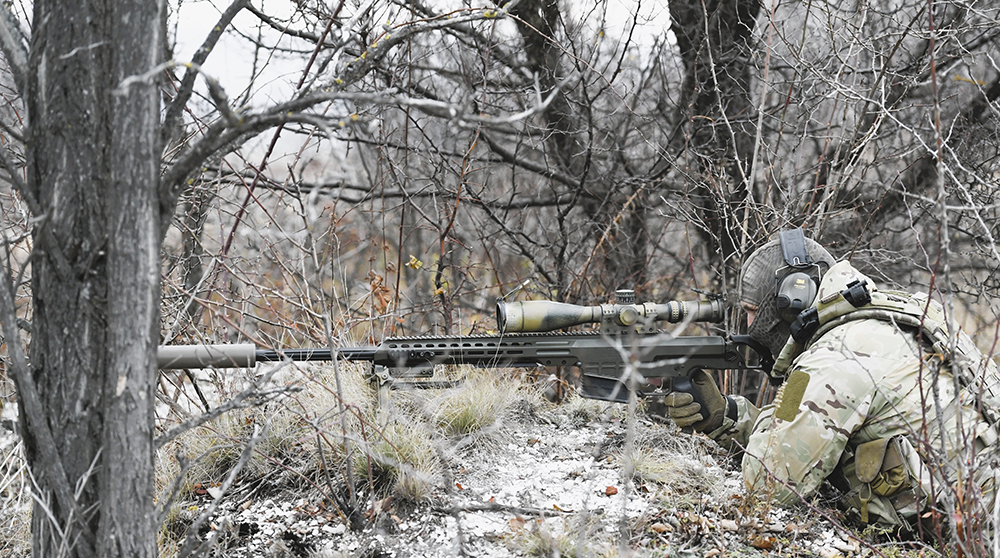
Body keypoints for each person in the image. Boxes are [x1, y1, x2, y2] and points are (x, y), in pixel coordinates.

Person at [664, 229, 1000, 532]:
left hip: (980, 534)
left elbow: (769, 485)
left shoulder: (836, 357)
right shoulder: (885, 322)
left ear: (791, 301)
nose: (749, 323)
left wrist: (770, 417)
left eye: (754, 310)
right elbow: (809, 435)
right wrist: (728, 417)